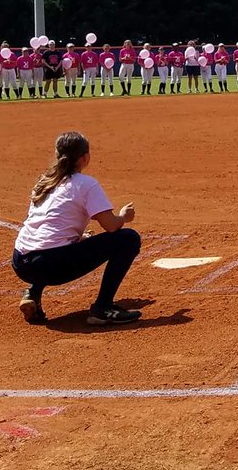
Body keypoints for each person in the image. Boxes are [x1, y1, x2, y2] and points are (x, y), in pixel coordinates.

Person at [11, 131, 141, 326]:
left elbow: (49, 227)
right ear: (85, 158)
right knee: (128, 238)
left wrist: (78, 239)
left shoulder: (44, 181)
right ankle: (103, 308)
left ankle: (33, 293)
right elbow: (111, 226)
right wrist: (123, 216)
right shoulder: (86, 184)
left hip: (20, 262)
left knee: (51, 244)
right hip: (51, 264)